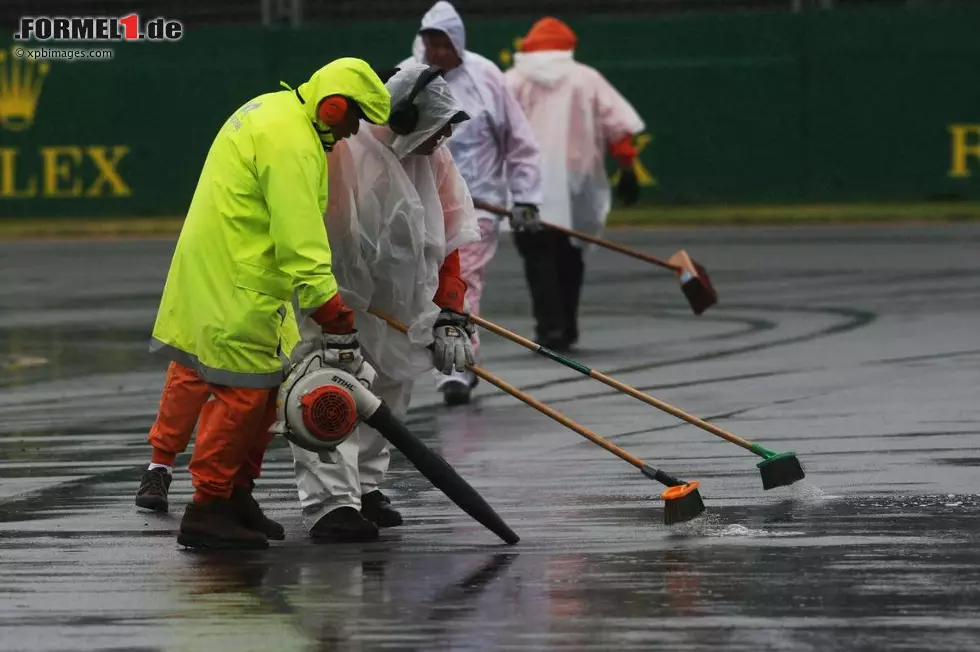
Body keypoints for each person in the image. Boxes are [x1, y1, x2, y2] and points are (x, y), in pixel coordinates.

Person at [137, 57, 391, 550]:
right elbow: (300, 238)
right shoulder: (291, 141)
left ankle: (235, 496)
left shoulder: (276, 113)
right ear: (334, 105)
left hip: (227, 275)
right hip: (237, 284)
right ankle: (208, 510)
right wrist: (332, 313)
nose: (353, 131)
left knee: (264, 397)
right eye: (354, 118)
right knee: (242, 398)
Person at [289, 63, 481, 542]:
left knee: (390, 394)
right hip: (337, 300)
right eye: (434, 130)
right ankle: (331, 503)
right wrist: (326, 302)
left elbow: (451, 236)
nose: (441, 141)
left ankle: (367, 488)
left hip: (400, 306)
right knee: (328, 392)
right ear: (397, 118)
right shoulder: (345, 152)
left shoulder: (433, 156)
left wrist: (453, 312)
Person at [401, 1, 544, 406]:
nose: (437, 52)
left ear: (458, 43)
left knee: (465, 282)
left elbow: (519, 141)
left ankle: (458, 366)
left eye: (444, 44)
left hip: (477, 206)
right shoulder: (407, 77)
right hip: (416, 206)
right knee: (419, 286)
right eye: (431, 44)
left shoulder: (486, 78)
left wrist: (527, 197)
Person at [503, 17, 646, 352]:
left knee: (537, 256)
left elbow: (492, 128)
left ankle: (549, 326)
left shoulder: (511, 81)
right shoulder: (586, 78)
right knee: (570, 254)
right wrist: (627, 168)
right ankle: (566, 325)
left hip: (526, 185)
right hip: (576, 183)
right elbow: (619, 126)